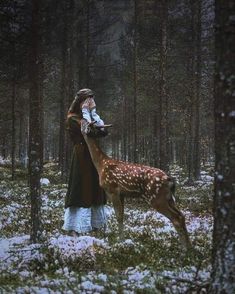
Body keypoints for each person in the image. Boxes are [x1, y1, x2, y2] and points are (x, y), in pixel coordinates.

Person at [62, 88, 106, 237]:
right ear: (81, 102)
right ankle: (76, 227)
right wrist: (87, 113)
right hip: (82, 156)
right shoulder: (72, 118)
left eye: (91, 100)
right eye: (88, 100)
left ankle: (95, 224)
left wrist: (93, 113)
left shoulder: (85, 117)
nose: (90, 103)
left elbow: (102, 132)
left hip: (93, 155)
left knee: (95, 186)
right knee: (81, 186)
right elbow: (89, 130)